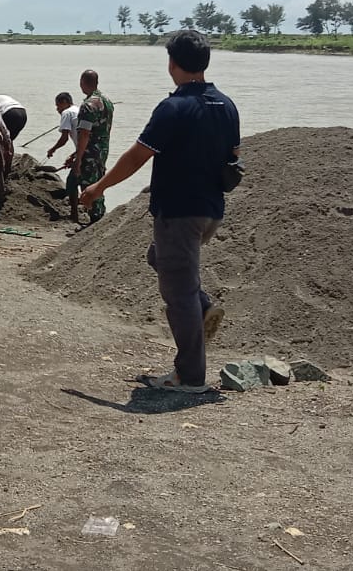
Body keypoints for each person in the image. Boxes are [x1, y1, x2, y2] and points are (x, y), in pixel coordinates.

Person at [80, 30, 240, 393]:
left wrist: (98, 187)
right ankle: (202, 306)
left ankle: (190, 377)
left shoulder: (174, 107)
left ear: (172, 63)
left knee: (177, 292)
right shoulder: (226, 104)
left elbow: (138, 155)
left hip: (179, 211)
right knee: (163, 261)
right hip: (212, 209)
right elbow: (233, 157)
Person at [62, 70, 113, 225]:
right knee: (97, 181)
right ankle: (95, 217)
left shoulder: (88, 106)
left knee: (89, 185)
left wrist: (78, 160)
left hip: (89, 152)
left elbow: (84, 134)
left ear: (82, 82)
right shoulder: (107, 101)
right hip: (102, 150)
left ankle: (96, 220)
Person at [45, 92, 78, 159]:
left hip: (85, 150)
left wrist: (52, 150)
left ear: (64, 102)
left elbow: (64, 139)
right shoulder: (78, 109)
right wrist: (73, 156)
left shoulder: (67, 113)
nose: (57, 109)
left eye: (58, 105)